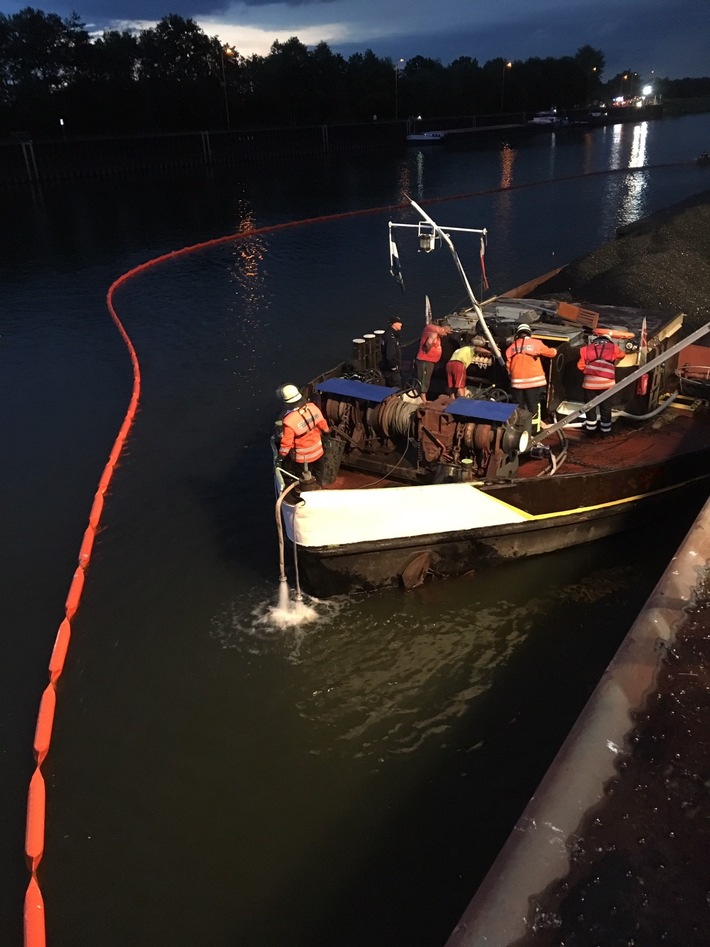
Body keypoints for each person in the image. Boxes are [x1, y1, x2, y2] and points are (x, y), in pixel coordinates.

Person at [276, 384, 330, 480]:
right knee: (318, 475)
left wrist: (280, 457)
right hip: (318, 452)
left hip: (302, 458)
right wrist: (327, 435)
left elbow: (286, 443)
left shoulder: (289, 421)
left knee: (303, 479)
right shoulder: (312, 408)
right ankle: (320, 487)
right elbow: (324, 426)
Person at [577, 332, 625, 436]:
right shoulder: (613, 347)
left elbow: (580, 366)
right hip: (607, 384)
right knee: (606, 407)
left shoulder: (586, 349)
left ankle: (590, 429)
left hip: (590, 384)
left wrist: (590, 369)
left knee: (590, 406)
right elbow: (622, 355)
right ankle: (606, 430)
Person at [505, 323, 556, 421]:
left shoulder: (512, 347)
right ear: (529, 333)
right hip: (533, 382)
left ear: (518, 334)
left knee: (518, 406)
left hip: (517, 382)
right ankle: (533, 428)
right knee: (533, 404)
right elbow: (551, 353)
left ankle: (520, 425)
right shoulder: (536, 343)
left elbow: (508, 365)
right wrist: (555, 350)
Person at [415, 318, 452, 402]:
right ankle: (423, 399)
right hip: (425, 360)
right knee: (424, 379)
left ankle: (423, 396)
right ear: (442, 328)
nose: (445, 335)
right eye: (445, 333)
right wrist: (428, 349)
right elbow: (429, 342)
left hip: (431, 361)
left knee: (427, 379)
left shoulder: (436, 332)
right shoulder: (433, 332)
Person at [445, 334, 492, 399]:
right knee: (460, 386)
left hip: (449, 364)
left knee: (451, 386)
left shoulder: (462, 348)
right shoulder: (472, 348)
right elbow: (477, 349)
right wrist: (490, 352)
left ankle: (451, 402)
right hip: (459, 364)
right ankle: (462, 403)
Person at [381, 315, 403, 387]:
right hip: (391, 370)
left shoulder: (387, 334)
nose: (401, 324)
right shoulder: (391, 337)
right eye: (399, 322)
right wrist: (393, 367)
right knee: (396, 387)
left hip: (387, 368)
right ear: (394, 324)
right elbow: (390, 355)